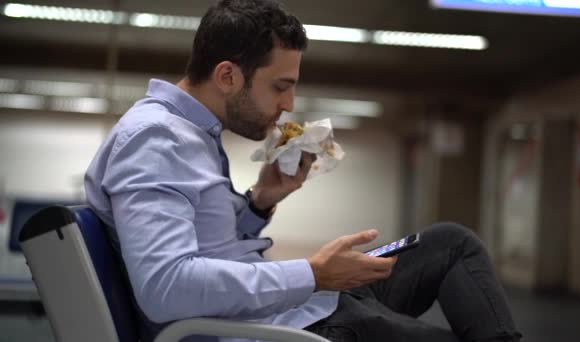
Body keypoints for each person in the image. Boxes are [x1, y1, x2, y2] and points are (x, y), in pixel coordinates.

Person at [84, 0, 522, 341]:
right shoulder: (157, 140)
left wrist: (261, 200)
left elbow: (209, 246)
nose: (289, 105)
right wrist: (312, 274)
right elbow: (166, 287)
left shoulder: (191, 134)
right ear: (227, 76)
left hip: (296, 307)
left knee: (450, 243)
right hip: (276, 330)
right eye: (281, 86)